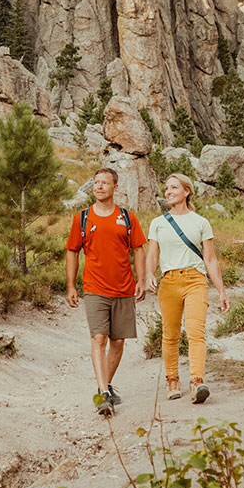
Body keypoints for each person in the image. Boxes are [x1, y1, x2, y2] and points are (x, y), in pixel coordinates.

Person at [65, 166, 147, 417]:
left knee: (118, 341)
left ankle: (105, 387)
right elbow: (72, 251)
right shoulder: (82, 218)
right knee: (98, 339)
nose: (99, 186)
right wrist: (71, 285)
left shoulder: (127, 217)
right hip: (94, 288)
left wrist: (141, 280)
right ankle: (103, 394)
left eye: (104, 183)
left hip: (123, 287)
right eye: (96, 182)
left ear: (115, 187)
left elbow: (139, 249)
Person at [143, 172, 228, 404]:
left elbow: (210, 260)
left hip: (195, 281)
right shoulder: (158, 223)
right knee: (170, 334)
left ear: (186, 191)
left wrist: (221, 289)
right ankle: (172, 380)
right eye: (166, 188)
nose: (168, 192)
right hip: (169, 281)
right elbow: (152, 254)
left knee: (195, 332)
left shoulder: (201, 222)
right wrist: (149, 274)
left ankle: (197, 381)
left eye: (173, 188)